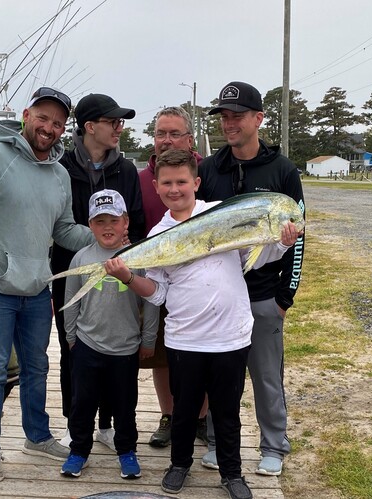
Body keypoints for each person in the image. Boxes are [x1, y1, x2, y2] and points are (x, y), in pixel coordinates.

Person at [104, 149, 301, 499]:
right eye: (167, 183)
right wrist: (128, 277)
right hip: (185, 340)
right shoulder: (159, 233)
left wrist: (281, 245)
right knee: (183, 410)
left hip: (231, 337)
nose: (174, 189)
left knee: (227, 412)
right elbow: (158, 292)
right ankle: (179, 464)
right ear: (156, 186)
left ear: (196, 183)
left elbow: (253, 257)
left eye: (181, 181)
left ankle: (232, 472)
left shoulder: (221, 213)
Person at [0, 86, 93, 482]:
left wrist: (106, 239)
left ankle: (37, 436)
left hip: (36, 291)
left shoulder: (60, 174)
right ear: (26, 115)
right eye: (43, 118)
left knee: (37, 366)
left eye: (58, 123)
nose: (49, 128)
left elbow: (64, 230)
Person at [197, 81, 306, 477]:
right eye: (224, 117)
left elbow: (299, 237)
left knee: (266, 376)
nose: (229, 124)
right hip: (220, 297)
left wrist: (285, 296)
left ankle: (273, 445)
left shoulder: (283, 170)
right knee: (221, 377)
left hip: (263, 296)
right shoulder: (208, 169)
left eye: (237, 116)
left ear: (258, 118)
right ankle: (217, 442)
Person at [51, 93, 145, 451]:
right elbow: (58, 224)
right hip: (71, 268)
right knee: (72, 348)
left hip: (119, 272)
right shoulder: (60, 168)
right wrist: (94, 244)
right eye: (113, 122)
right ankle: (74, 423)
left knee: (114, 352)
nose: (120, 128)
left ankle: (107, 425)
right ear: (90, 126)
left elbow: (136, 222)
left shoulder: (127, 170)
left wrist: (119, 251)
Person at [61, 189, 158, 479]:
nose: (107, 227)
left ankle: (126, 450)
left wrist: (148, 340)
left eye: (114, 220)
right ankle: (79, 450)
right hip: (87, 344)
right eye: (99, 221)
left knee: (125, 406)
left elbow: (151, 301)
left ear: (125, 222)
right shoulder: (80, 258)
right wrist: (71, 337)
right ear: (90, 225)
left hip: (125, 348)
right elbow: (71, 299)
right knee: (82, 403)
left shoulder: (139, 257)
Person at [138, 106, 208, 448]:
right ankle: (168, 415)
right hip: (157, 277)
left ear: (189, 139)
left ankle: (201, 418)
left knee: (204, 353)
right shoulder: (141, 179)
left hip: (200, 283)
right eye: (160, 133)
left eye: (174, 133)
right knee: (161, 356)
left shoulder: (203, 172)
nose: (166, 140)